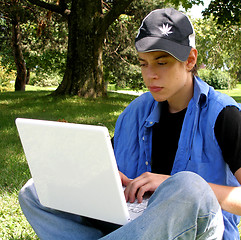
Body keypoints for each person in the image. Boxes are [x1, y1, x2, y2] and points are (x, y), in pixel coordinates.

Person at [19, 8, 241, 240]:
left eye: (161, 62)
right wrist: (106, 176)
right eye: (143, 64)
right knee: (34, 191)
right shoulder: (134, 112)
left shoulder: (224, 115)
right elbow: (107, 169)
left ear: (190, 60)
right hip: (135, 224)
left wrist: (168, 184)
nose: (150, 75)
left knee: (189, 186)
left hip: (195, 229)